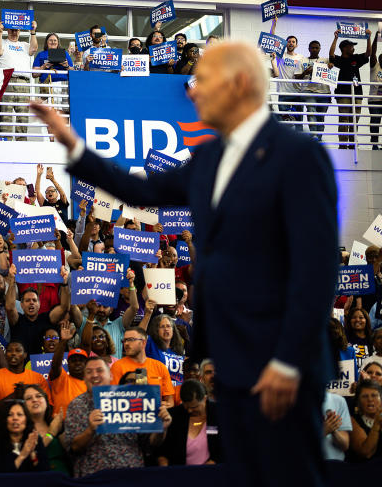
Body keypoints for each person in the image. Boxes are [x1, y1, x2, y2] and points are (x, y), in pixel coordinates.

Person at [32, 39, 338, 486]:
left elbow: (315, 270)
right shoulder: (210, 156)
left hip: (281, 365)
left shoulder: (298, 155)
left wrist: (287, 362)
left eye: (203, 81)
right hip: (231, 364)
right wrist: (74, 145)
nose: (192, 91)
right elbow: (140, 191)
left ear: (238, 83)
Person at [62, 357, 171, 477]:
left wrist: (162, 428)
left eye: (99, 370)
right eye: (89, 372)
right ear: (84, 377)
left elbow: (149, 444)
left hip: (130, 475)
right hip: (93, 476)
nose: (94, 375)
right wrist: (90, 430)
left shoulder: (133, 400)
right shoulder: (76, 405)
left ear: (111, 376)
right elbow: (73, 448)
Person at [157, 380, 222, 466]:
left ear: (205, 398)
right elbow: (162, 451)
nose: (190, 410)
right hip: (179, 473)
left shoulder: (219, 413)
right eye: (186, 406)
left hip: (213, 471)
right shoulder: (174, 415)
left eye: (194, 407)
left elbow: (228, 445)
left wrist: (214, 462)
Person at [328, 29, 372, 149]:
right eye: (352, 46)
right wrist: (336, 37)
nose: (354, 48)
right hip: (343, 94)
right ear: (345, 48)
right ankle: (343, 145)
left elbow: (368, 53)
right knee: (344, 120)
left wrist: (369, 37)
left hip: (357, 94)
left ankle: (353, 145)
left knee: (355, 121)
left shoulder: (356, 59)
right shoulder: (340, 59)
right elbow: (331, 55)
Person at [0, 400, 50, 473]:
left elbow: (44, 472)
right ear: (5, 420)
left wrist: (32, 454)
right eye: (10, 415)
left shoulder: (34, 439)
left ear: (26, 419)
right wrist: (22, 455)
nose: (15, 418)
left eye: (20, 414)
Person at [349, 379, 381, 461]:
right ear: (358, 401)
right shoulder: (352, 420)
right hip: (363, 470)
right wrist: (377, 423)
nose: (370, 399)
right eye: (365, 396)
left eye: (374, 395)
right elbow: (366, 453)